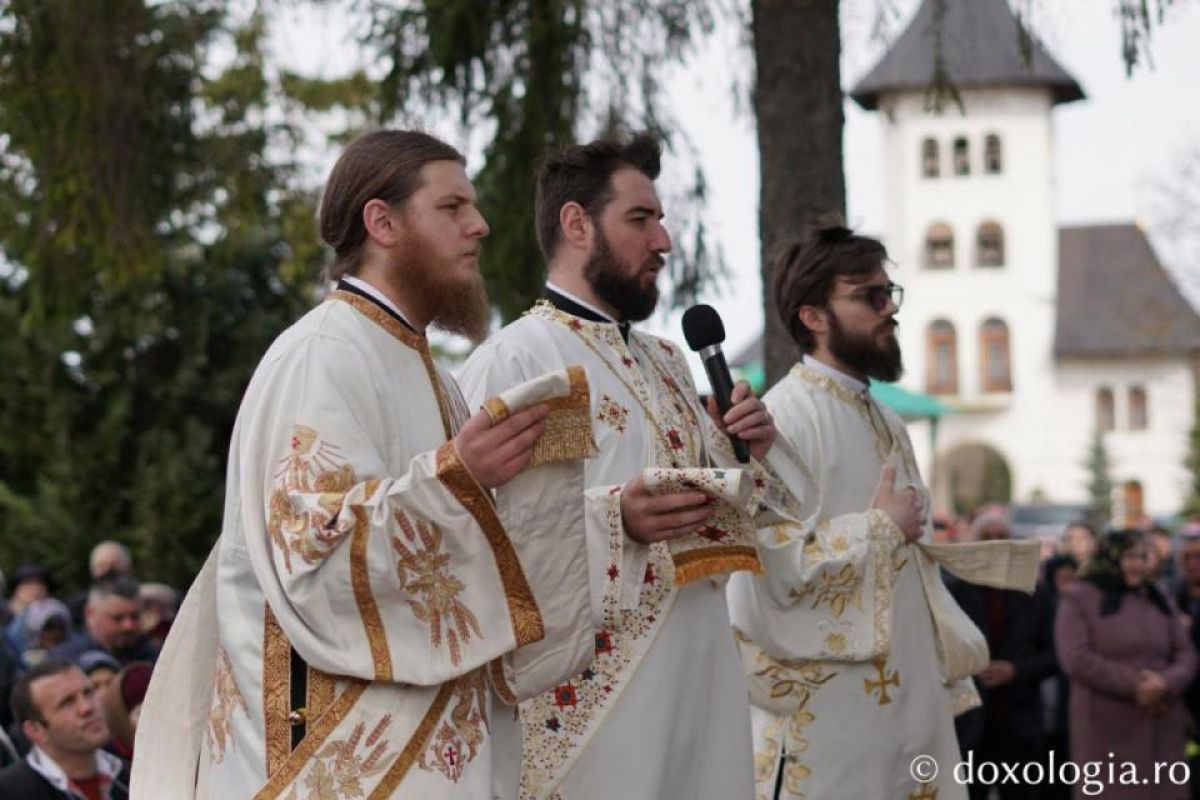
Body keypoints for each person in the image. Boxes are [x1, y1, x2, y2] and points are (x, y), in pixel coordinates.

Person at [131, 130, 596, 799]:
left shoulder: (434, 374)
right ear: (382, 222)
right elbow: (308, 555)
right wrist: (458, 479)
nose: (480, 225)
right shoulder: (323, 353)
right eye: (452, 207)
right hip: (334, 750)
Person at [458, 132, 781, 800]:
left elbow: (718, 518)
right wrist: (618, 519)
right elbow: (480, 533)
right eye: (641, 219)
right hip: (593, 708)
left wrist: (740, 453)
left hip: (700, 678)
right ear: (577, 224)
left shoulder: (669, 361)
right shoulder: (520, 360)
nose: (664, 241)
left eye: (661, 220)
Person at [726, 219, 1038, 800]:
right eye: (869, 296)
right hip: (833, 723)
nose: (889, 309)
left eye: (889, 292)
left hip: (908, 706)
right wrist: (880, 528)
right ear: (813, 316)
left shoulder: (886, 418)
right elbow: (763, 571)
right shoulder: (785, 418)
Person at [1055, 530, 1196, 799]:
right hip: (1106, 727)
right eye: (1129, 557)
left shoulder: (1158, 596)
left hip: (1162, 724)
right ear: (1109, 558)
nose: (1137, 565)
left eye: (1142, 557)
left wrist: (1165, 682)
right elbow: (1076, 658)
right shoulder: (1078, 597)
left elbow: (1186, 652)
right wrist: (1136, 685)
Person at [946, 511, 1058, 800]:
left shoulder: (1035, 593)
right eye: (987, 537)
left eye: (1001, 537)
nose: (995, 543)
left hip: (1020, 722)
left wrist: (1015, 670)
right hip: (969, 724)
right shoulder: (952, 592)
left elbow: (1055, 655)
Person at [0, 659, 129, 799]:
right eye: (67, 702)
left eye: (88, 692)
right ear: (36, 730)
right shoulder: (10, 792)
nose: (87, 707)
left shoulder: (131, 775)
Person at [48, 576, 158, 667]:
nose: (128, 626)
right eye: (117, 618)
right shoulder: (64, 661)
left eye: (135, 617)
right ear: (89, 613)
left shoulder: (153, 656)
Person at [68, 543, 134, 631]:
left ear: (128, 568)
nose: (107, 571)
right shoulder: (76, 606)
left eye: (113, 566)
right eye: (101, 566)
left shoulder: (143, 601)